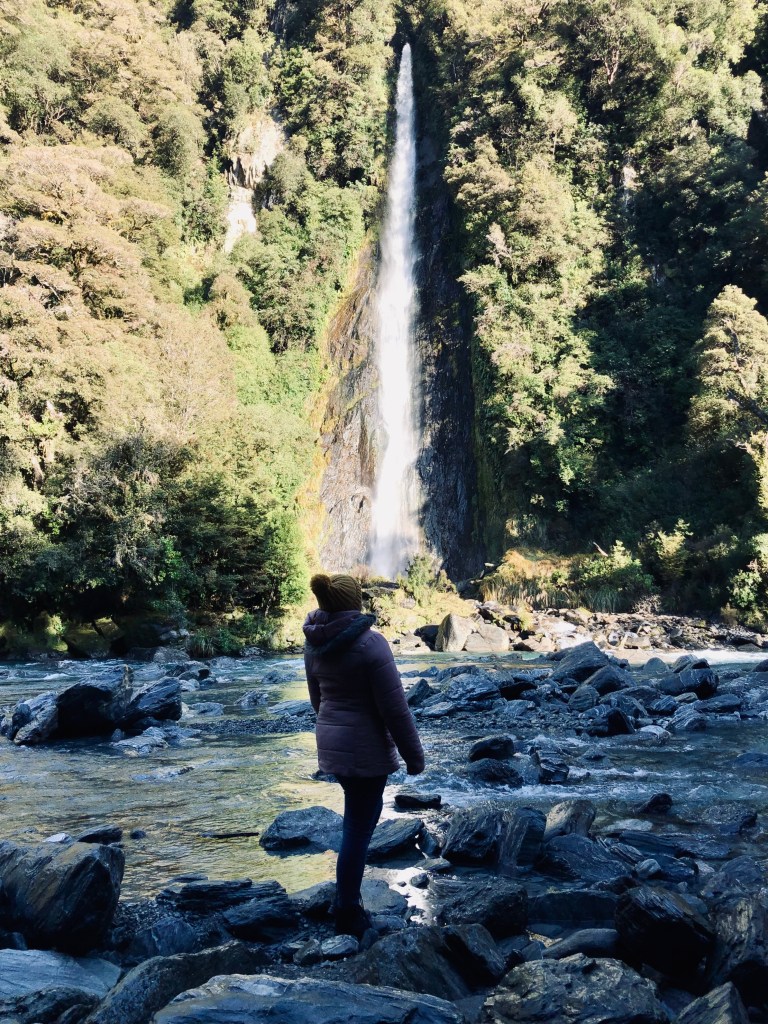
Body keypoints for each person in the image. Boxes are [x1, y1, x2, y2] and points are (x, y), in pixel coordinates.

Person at [303, 571, 425, 939]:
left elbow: (317, 701)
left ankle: (345, 899)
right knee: (359, 826)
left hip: (333, 741)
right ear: (355, 602)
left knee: (358, 818)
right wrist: (414, 757)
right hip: (365, 746)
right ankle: (347, 910)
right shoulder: (371, 644)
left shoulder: (314, 643)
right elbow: (395, 709)